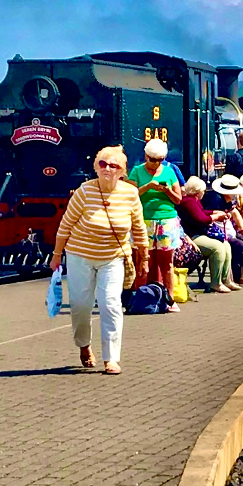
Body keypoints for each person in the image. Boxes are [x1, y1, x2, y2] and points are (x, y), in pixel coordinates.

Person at [50, 146, 148, 375]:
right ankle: (84, 346)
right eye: (102, 164)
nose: (107, 169)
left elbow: (139, 227)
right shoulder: (85, 192)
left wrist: (144, 256)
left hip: (113, 257)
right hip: (80, 255)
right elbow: (65, 225)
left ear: (122, 171)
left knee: (110, 303)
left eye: (113, 165)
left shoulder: (130, 194)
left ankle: (111, 358)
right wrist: (56, 255)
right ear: (96, 167)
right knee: (81, 305)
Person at [128, 138, 183, 311]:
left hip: (166, 220)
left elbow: (178, 199)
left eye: (159, 160)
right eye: (152, 159)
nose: (155, 163)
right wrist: (148, 186)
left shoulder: (169, 172)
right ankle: (140, 299)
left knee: (167, 263)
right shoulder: (136, 172)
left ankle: (170, 300)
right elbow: (130, 195)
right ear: (146, 156)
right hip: (143, 220)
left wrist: (167, 190)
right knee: (144, 262)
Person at [179, 176, 240, 293]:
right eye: (203, 191)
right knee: (217, 248)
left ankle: (226, 279)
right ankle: (216, 283)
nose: (204, 193)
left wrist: (214, 212)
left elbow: (201, 212)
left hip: (199, 234)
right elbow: (201, 219)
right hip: (191, 237)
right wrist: (216, 216)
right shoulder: (188, 202)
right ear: (197, 192)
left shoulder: (194, 201)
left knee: (226, 245)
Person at [210, 174, 243, 285]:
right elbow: (214, 221)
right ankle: (233, 274)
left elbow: (234, 212)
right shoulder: (216, 199)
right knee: (239, 244)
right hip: (217, 233)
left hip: (227, 231)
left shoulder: (227, 199)